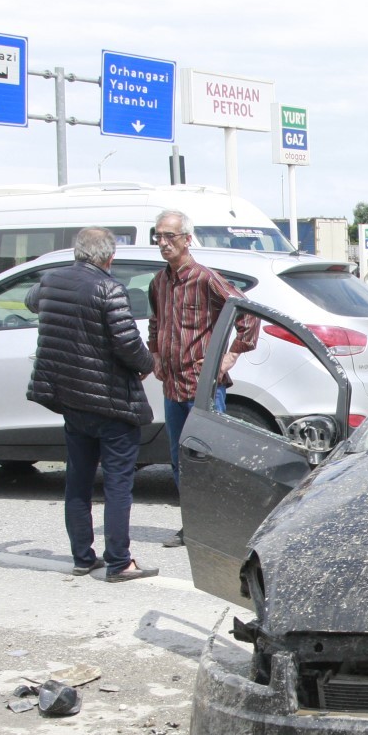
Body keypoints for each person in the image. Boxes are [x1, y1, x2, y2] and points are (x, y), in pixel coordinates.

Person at [26, 227, 159, 582]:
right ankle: (119, 562)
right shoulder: (109, 288)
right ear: (109, 257)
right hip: (111, 403)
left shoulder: (52, 281)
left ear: (77, 253)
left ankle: (83, 557)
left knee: (78, 481)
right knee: (117, 486)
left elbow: (31, 301)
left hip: (70, 398)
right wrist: (150, 364)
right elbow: (128, 344)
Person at [147, 209, 259, 548]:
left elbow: (248, 313)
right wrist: (154, 353)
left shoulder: (206, 278)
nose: (163, 243)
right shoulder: (159, 282)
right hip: (172, 384)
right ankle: (193, 526)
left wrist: (232, 354)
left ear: (186, 239)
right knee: (180, 460)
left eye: (170, 236)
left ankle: (220, 528)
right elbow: (156, 322)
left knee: (210, 459)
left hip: (203, 385)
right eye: (159, 236)